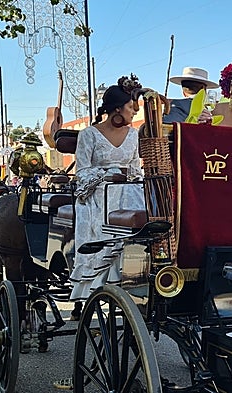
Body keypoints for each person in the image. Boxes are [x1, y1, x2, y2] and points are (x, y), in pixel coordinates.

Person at [69, 75, 146, 301]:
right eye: (131, 107)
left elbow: (135, 169)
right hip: (96, 195)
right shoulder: (88, 134)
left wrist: (130, 178)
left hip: (128, 193)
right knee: (100, 216)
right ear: (116, 109)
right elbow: (81, 173)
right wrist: (107, 175)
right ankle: (94, 286)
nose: (134, 112)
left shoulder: (133, 135)